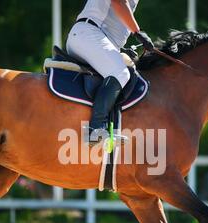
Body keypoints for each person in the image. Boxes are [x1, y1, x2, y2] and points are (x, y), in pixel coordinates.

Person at [66, 0, 154, 146]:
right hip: (89, 33)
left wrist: (120, 49)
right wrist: (138, 33)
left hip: (91, 36)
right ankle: (96, 128)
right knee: (120, 72)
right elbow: (118, 2)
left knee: (123, 69)